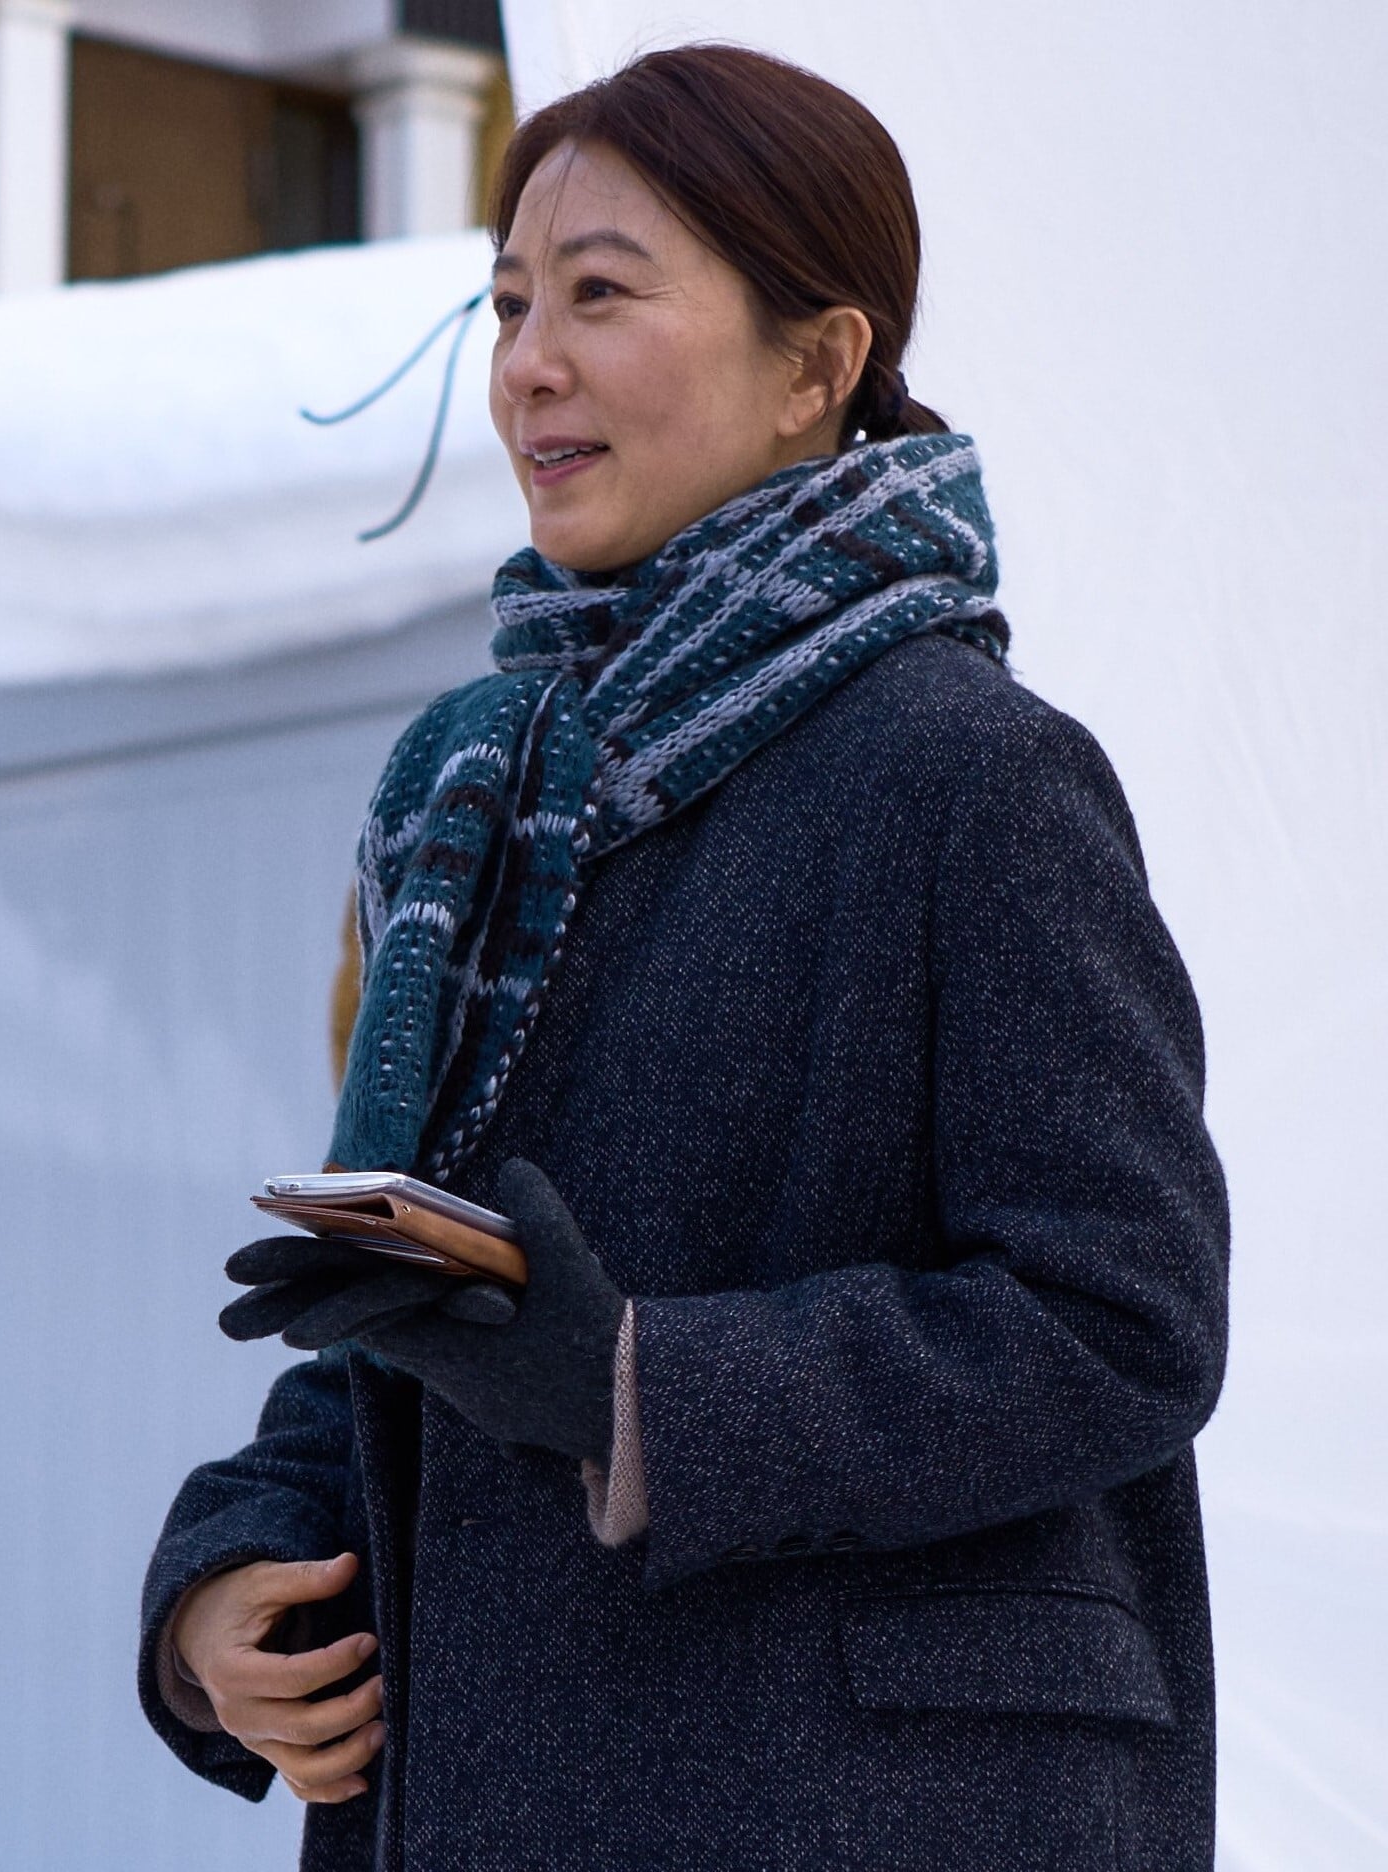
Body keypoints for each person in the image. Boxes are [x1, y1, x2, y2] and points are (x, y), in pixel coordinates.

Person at [138, 46, 1225, 1872]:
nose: (525, 365)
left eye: (599, 294)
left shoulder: (971, 776)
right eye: (506, 305)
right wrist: (229, 1581)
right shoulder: (476, 793)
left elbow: (1120, 1319)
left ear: (814, 366)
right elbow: (427, 1331)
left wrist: (644, 1387)